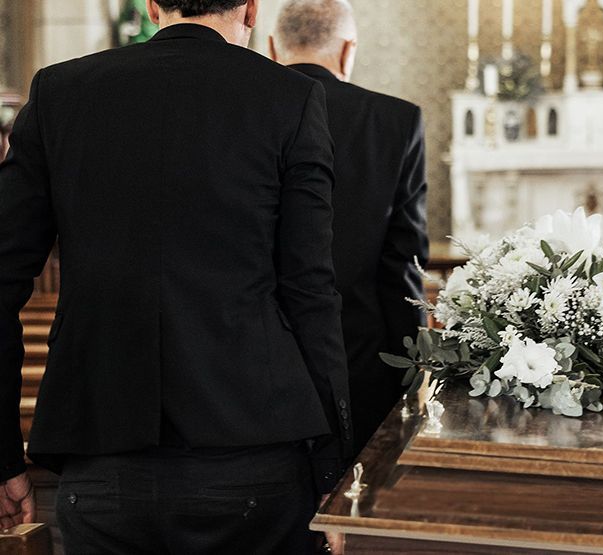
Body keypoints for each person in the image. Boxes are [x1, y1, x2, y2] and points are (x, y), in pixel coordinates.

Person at [0, 0, 351, 551]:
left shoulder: (60, 92)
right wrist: (335, 470)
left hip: (103, 452)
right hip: (253, 447)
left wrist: (2, 458)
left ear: (152, 6)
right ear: (253, 10)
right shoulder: (290, 97)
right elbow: (311, 292)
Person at [271, 0, 429, 454]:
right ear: (347, 50)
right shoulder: (395, 120)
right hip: (360, 355)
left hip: (255, 356)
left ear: (271, 47)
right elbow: (403, 261)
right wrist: (410, 367)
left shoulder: (243, 114)